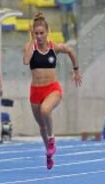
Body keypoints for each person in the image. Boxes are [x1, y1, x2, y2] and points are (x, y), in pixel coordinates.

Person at [23, 12, 81, 170]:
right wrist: (31, 40)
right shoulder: (30, 47)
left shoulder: (54, 47)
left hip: (52, 89)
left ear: (47, 32)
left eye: (42, 33)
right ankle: (48, 153)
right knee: (41, 126)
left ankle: (52, 138)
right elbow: (26, 61)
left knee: (45, 110)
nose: (39, 36)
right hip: (35, 91)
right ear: (33, 33)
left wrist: (76, 70)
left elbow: (70, 51)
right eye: (36, 33)